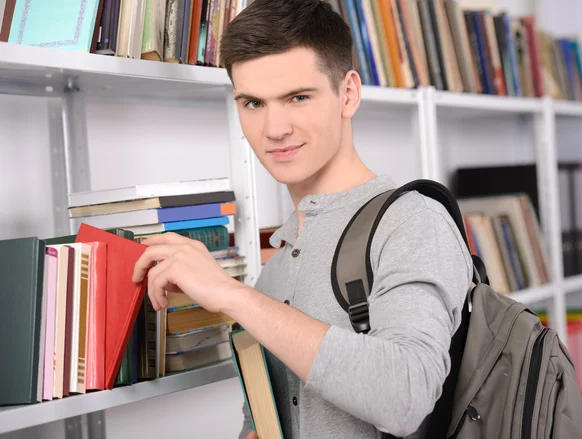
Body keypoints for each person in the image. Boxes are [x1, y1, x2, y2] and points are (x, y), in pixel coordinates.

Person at [132, 1, 473, 438]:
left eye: (297, 97)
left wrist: (230, 294)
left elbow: (407, 396)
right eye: (253, 103)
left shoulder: (412, 222)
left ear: (347, 93)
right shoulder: (273, 274)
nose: (274, 128)